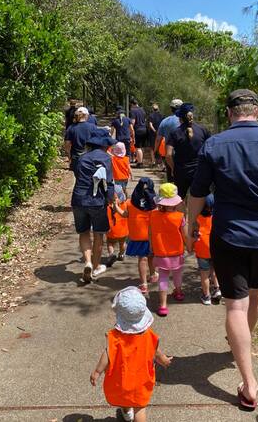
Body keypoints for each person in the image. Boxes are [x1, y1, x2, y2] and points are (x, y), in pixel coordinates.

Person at [188, 89, 258, 410]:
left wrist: (190, 225)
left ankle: (249, 382)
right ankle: (242, 345)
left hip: (228, 237)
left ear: (229, 114)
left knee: (234, 307)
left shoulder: (214, 144)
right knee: (255, 295)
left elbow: (197, 192)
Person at [90, 286, 172, 422]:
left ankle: (127, 411)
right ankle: (130, 413)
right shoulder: (149, 336)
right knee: (140, 407)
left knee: (124, 398)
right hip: (141, 379)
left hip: (122, 379)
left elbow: (107, 355)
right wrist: (163, 360)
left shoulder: (115, 337)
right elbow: (155, 352)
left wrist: (97, 372)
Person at [71, 128, 117, 283]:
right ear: (105, 145)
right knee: (99, 234)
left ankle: (88, 262)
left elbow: (78, 176)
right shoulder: (106, 159)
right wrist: (111, 199)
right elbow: (109, 183)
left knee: (83, 232)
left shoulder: (81, 158)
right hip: (97, 201)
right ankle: (96, 267)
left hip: (79, 199)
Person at [149, 183, 187, 317]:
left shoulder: (153, 215)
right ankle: (178, 292)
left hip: (160, 252)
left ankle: (163, 305)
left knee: (163, 278)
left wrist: (151, 246)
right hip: (177, 252)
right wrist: (189, 245)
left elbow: (150, 232)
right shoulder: (180, 217)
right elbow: (184, 234)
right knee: (177, 274)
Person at [166, 103, 210, 201]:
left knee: (179, 199)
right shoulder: (203, 130)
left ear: (180, 118)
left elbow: (168, 155)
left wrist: (173, 169)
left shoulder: (175, 133)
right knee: (199, 199)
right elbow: (209, 150)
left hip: (181, 171)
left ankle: (182, 216)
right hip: (199, 171)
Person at [122, 178, 158, 296]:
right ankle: (153, 275)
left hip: (137, 237)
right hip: (151, 237)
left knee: (142, 259)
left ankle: (143, 284)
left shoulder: (129, 203)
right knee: (151, 256)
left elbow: (124, 214)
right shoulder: (155, 205)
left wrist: (115, 206)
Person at [192, 194, 221, 305]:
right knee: (214, 270)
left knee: (204, 274)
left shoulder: (197, 218)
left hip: (202, 250)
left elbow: (193, 234)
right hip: (215, 248)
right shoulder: (217, 217)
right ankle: (217, 289)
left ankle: (206, 296)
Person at [154, 99, 182, 181]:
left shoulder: (165, 121)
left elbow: (158, 139)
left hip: (169, 154)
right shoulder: (185, 120)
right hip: (183, 153)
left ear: (171, 109)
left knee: (171, 179)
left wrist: (155, 150)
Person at [65, 107, 97, 172]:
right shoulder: (92, 127)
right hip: (89, 157)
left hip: (76, 157)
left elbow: (67, 144)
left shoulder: (71, 128)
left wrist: (69, 156)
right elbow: (97, 142)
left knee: (78, 177)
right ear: (85, 115)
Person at [106, 185, 129, 268]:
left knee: (110, 243)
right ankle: (121, 254)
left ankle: (111, 254)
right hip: (123, 230)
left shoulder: (107, 205)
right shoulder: (125, 204)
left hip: (111, 229)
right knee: (122, 243)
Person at [129, 99, 147, 168]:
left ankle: (140, 163)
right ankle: (140, 159)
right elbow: (145, 120)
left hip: (138, 130)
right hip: (144, 129)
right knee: (141, 147)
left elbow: (133, 121)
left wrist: (130, 131)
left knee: (138, 147)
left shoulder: (133, 111)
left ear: (132, 104)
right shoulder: (143, 110)